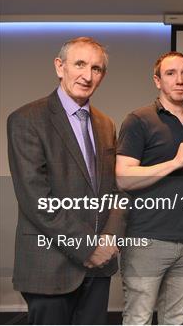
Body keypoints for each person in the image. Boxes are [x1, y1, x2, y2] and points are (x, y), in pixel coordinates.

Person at [7, 37, 123, 324]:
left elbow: (116, 189)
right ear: (60, 67)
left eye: (96, 68)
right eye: (80, 64)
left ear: (103, 76)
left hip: (98, 267)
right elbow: (35, 198)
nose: (87, 75)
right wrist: (88, 247)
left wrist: (109, 237)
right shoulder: (26, 119)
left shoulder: (106, 124)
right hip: (50, 266)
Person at [116, 51, 183, 325]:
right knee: (138, 317)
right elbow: (123, 178)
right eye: (171, 74)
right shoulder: (138, 120)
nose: (180, 80)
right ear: (157, 81)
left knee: (176, 318)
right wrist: (174, 162)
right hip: (146, 239)